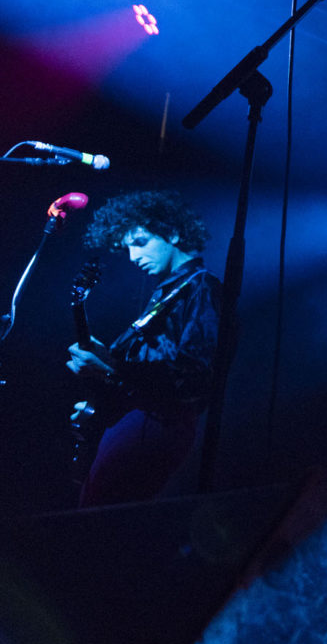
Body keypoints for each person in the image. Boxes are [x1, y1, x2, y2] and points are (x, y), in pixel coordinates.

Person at [66, 190, 220, 507]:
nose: (133, 258)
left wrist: (110, 366)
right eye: (127, 249)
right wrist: (107, 368)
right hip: (139, 418)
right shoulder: (169, 293)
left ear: (172, 232)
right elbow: (149, 369)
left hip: (159, 422)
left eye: (140, 243)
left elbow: (192, 375)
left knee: (99, 517)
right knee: (95, 511)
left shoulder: (200, 286)